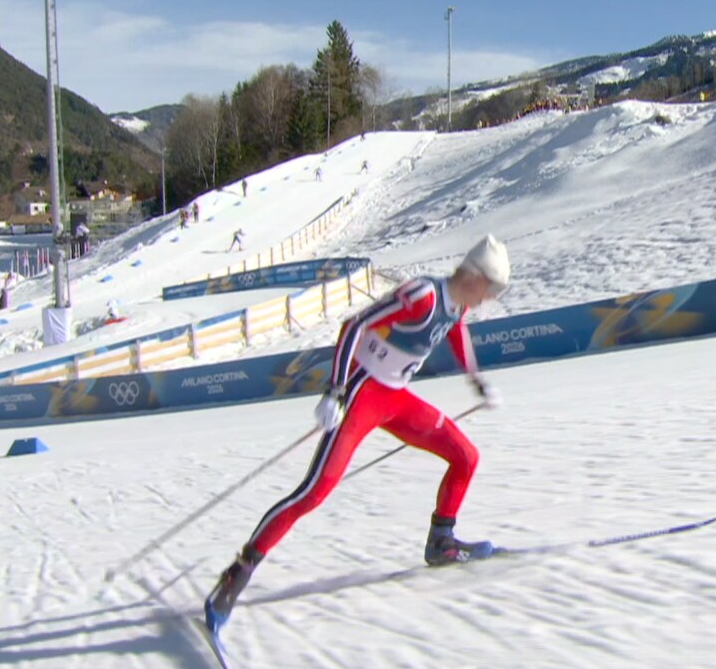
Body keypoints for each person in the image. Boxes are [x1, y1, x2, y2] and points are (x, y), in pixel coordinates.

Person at [204, 234, 512, 631]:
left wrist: (477, 381)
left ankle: (442, 541)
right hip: (363, 394)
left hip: (396, 398)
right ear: (474, 276)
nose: (489, 298)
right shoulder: (423, 294)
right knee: (312, 493)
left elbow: (454, 331)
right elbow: (354, 326)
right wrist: (335, 390)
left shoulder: (456, 305)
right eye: (491, 288)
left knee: (465, 457)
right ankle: (235, 576)